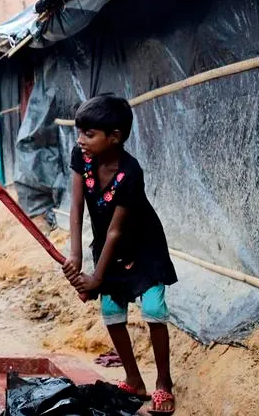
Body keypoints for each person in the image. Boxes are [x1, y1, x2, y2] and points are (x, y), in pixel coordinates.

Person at [62, 95, 178, 415]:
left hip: (143, 246)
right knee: (112, 312)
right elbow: (75, 207)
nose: (80, 140)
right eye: (79, 132)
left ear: (114, 136)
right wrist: (76, 258)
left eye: (89, 134)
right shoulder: (81, 158)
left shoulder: (130, 171)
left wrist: (95, 280)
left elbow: (116, 230)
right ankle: (134, 379)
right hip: (108, 248)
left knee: (153, 308)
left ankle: (164, 383)